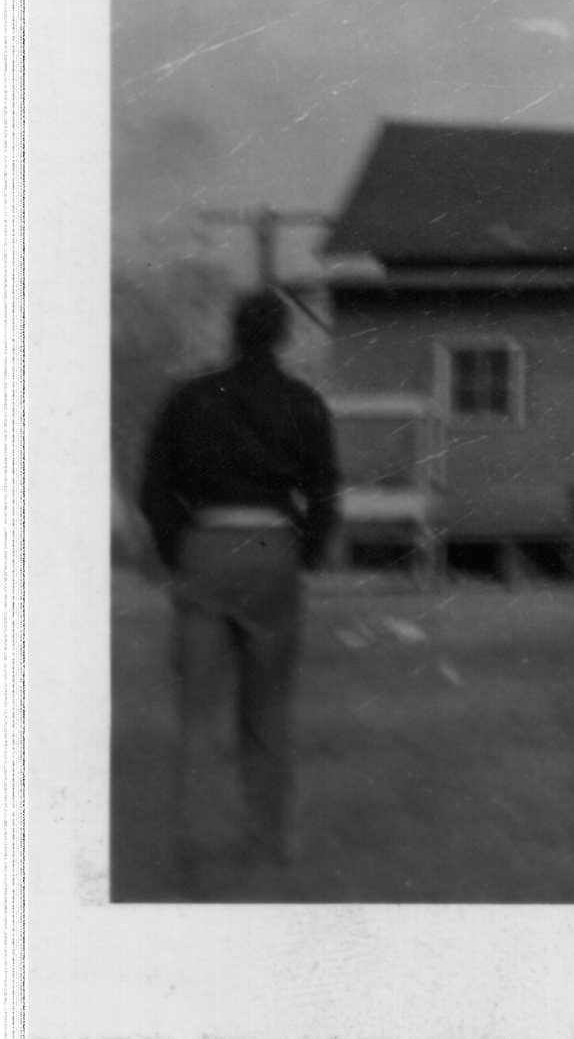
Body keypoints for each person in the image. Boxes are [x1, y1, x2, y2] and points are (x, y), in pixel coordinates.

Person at [136, 288, 339, 893]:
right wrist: (301, 554)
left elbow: (154, 490)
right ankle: (268, 843)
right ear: (282, 336)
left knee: (197, 712)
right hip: (272, 551)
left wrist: (182, 553)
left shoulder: (188, 399)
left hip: (205, 547)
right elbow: (324, 494)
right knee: (268, 711)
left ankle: (192, 853)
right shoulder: (303, 402)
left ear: (234, 332)